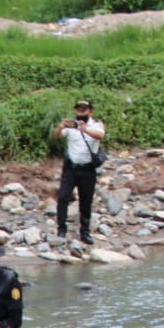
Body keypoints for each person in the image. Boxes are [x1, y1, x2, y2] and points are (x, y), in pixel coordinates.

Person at [53, 98, 106, 244]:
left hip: (87, 169)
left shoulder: (96, 125)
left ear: (90, 111)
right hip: (70, 168)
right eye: (79, 110)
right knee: (63, 197)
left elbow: (101, 135)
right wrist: (61, 126)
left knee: (86, 201)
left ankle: (85, 232)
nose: (81, 112)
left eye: (84, 110)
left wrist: (85, 129)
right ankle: (61, 229)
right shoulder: (71, 126)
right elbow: (57, 135)